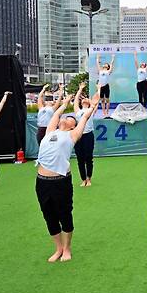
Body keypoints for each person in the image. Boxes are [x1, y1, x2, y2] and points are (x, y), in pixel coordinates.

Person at [36, 92, 98, 262]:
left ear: (73, 126)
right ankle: (58, 248)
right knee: (48, 215)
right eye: (66, 116)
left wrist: (92, 107)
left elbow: (84, 119)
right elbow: (56, 114)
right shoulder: (50, 131)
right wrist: (65, 103)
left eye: (71, 118)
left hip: (60, 182)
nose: (66, 117)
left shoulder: (72, 135)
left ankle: (67, 248)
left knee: (64, 214)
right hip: (42, 181)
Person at [73, 82, 100, 187]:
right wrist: (80, 89)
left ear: (89, 102)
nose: (84, 99)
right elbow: (75, 100)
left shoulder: (91, 110)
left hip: (88, 135)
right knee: (80, 159)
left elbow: (96, 100)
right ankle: (83, 179)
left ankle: (89, 178)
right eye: (83, 99)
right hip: (78, 136)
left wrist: (98, 89)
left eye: (86, 99)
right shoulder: (78, 111)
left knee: (88, 158)